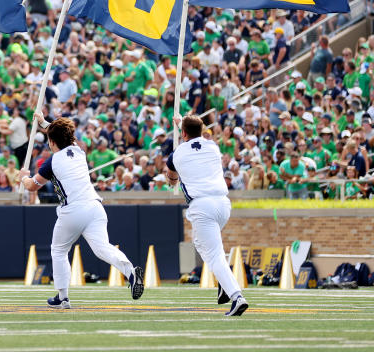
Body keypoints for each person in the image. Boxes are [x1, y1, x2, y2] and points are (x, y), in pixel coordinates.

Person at [20, 114, 144, 309]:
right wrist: (44, 123)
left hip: (73, 210)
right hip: (95, 207)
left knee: (59, 250)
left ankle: (62, 297)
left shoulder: (51, 162)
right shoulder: (79, 151)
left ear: (52, 142)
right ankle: (130, 271)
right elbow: (63, 132)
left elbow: (31, 187)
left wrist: (23, 177)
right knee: (102, 247)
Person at [165, 115, 248, 317]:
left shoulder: (176, 155)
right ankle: (223, 283)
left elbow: (172, 178)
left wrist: (171, 179)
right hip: (223, 205)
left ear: (183, 133)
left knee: (214, 255)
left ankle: (237, 296)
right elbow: (194, 134)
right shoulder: (213, 147)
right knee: (201, 245)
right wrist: (181, 123)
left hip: (202, 206)